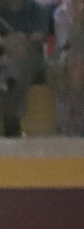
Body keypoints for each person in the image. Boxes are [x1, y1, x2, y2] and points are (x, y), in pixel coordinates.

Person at [0, 0, 55, 136]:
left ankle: (11, 121)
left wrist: (22, 40)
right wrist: (6, 42)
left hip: (31, 57)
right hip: (2, 55)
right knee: (11, 65)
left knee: (22, 66)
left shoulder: (37, 9)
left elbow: (40, 35)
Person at [56, 0, 84, 134]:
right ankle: (75, 126)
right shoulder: (62, 13)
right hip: (69, 54)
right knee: (75, 61)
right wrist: (77, 19)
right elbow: (66, 43)